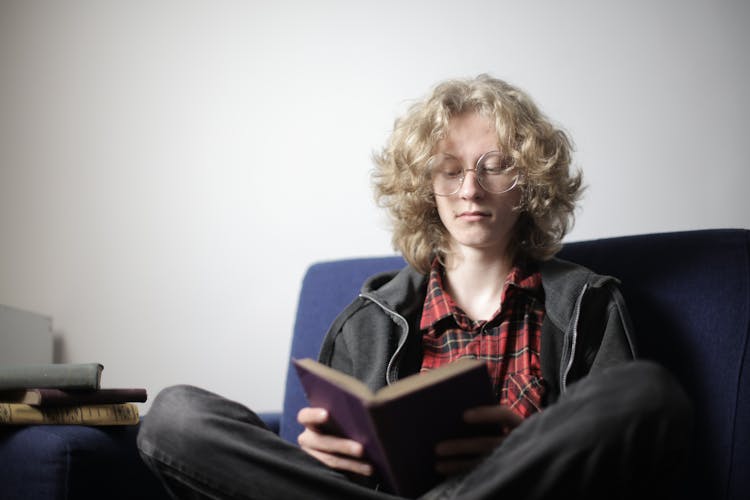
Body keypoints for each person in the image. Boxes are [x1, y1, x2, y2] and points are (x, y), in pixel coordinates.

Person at [137, 75, 692, 500]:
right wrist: (318, 458)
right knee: (175, 416)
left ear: (529, 182)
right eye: (449, 170)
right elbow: (338, 470)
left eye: (494, 165)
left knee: (647, 390)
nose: (470, 188)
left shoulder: (587, 304)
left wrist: (521, 449)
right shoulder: (369, 319)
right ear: (426, 187)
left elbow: (622, 459)